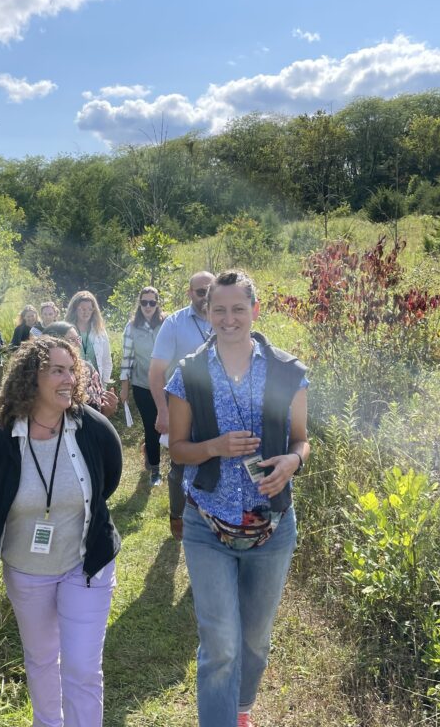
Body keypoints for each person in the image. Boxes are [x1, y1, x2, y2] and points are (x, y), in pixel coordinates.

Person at [165, 269, 310, 727]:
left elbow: (303, 440)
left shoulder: (287, 372)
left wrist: (293, 462)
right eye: (218, 309)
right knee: (222, 643)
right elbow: (178, 449)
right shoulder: (188, 373)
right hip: (207, 523)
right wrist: (215, 447)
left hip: (272, 526)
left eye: (238, 309)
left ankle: (241, 709)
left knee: (254, 641)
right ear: (206, 312)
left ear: (255, 311)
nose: (228, 319)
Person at [0, 336, 123, 727]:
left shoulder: (92, 428)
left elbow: (109, 479)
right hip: (26, 569)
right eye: (57, 369)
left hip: (84, 564)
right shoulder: (2, 441)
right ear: (31, 379)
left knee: (82, 668)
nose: (68, 378)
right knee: (41, 661)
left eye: (71, 369)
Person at [148, 270, 215, 539]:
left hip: (218, 405)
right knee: (180, 463)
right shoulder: (174, 323)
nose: (206, 296)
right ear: (190, 293)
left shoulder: (226, 318)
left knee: (216, 460)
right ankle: (178, 518)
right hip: (181, 405)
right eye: (201, 291)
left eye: (211, 290)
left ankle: (213, 520)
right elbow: (156, 372)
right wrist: (162, 410)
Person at [118, 286, 168, 486]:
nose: (148, 306)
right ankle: (155, 470)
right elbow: (127, 359)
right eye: (144, 302)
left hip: (167, 385)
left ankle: (172, 463)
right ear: (139, 303)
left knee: (171, 425)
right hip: (142, 385)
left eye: (152, 302)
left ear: (157, 304)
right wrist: (124, 387)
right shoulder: (131, 327)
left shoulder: (166, 324)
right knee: (151, 425)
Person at [43, 322, 119, 419]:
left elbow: (99, 412)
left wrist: (107, 409)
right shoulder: (43, 373)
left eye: (78, 339)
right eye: (71, 340)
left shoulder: (89, 370)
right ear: (55, 343)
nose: (79, 344)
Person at [65, 291, 111, 384]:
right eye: (82, 309)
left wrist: (104, 382)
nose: (86, 312)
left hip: (95, 383)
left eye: (90, 309)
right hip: (74, 381)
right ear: (75, 309)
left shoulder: (100, 331)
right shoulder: (66, 330)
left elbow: (106, 359)